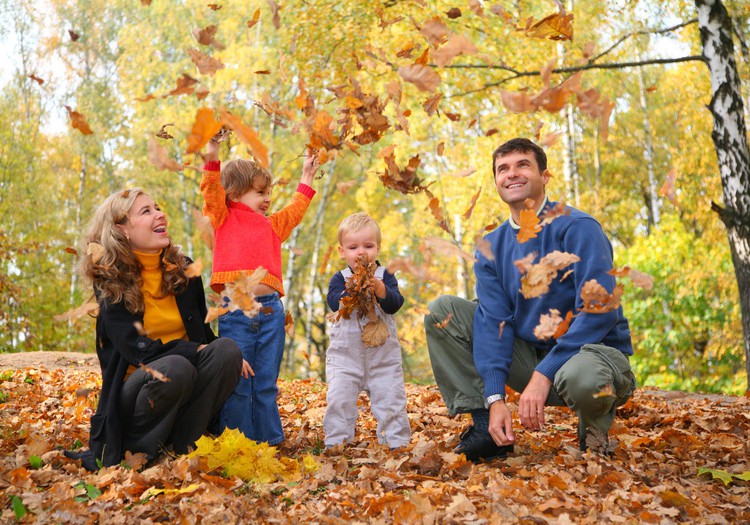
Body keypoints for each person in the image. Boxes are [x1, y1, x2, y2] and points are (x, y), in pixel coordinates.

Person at [424, 138, 636, 462]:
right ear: (496, 181)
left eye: (523, 164)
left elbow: (599, 310)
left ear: (545, 175)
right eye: (502, 169)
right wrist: (495, 397)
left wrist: (544, 373)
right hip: (530, 356)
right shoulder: (491, 248)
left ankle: (593, 439)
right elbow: (494, 323)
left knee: (584, 378)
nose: (512, 174)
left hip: (592, 358)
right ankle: (487, 429)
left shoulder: (578, 227)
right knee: (444, 312)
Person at [68, 188, 248, 471]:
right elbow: (137, 349)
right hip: (137, 390)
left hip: (184, 375)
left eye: (158, 207)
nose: (159, 214)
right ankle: (139, 453)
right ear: (122, 229)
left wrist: (221, 354)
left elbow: (202, 333)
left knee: (226, 350)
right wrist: (195, 350)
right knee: (174, 366)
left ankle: (185, 445)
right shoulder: (109, 279)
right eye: (146, 211)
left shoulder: (183, 268)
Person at [201, 138, 319, 446]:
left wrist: (306, 175)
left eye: (268, 192)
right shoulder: (223, 217)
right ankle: (238, 442)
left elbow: (296, 209)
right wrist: (212, 153)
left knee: (265, 380)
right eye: (260, 192)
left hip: (270, 312)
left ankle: (269, 441)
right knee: (240, 380)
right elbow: (211, 187)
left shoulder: (272, 225)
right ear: (235, 192)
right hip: (237, 311)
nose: (267, 198)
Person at [323, 212, 411, 449]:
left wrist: (381, 290)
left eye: (368, 246)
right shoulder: (339, 279)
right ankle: (336, 444)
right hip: (345, 358)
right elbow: (333, 301)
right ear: (342, 251)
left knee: (391, 401)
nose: (361, 252)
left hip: (383, 359)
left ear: (378, 248)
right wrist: (349, 293)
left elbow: (395, 304)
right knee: (339, 401)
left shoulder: (385, 277)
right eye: (353, 247)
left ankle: (397, 444)